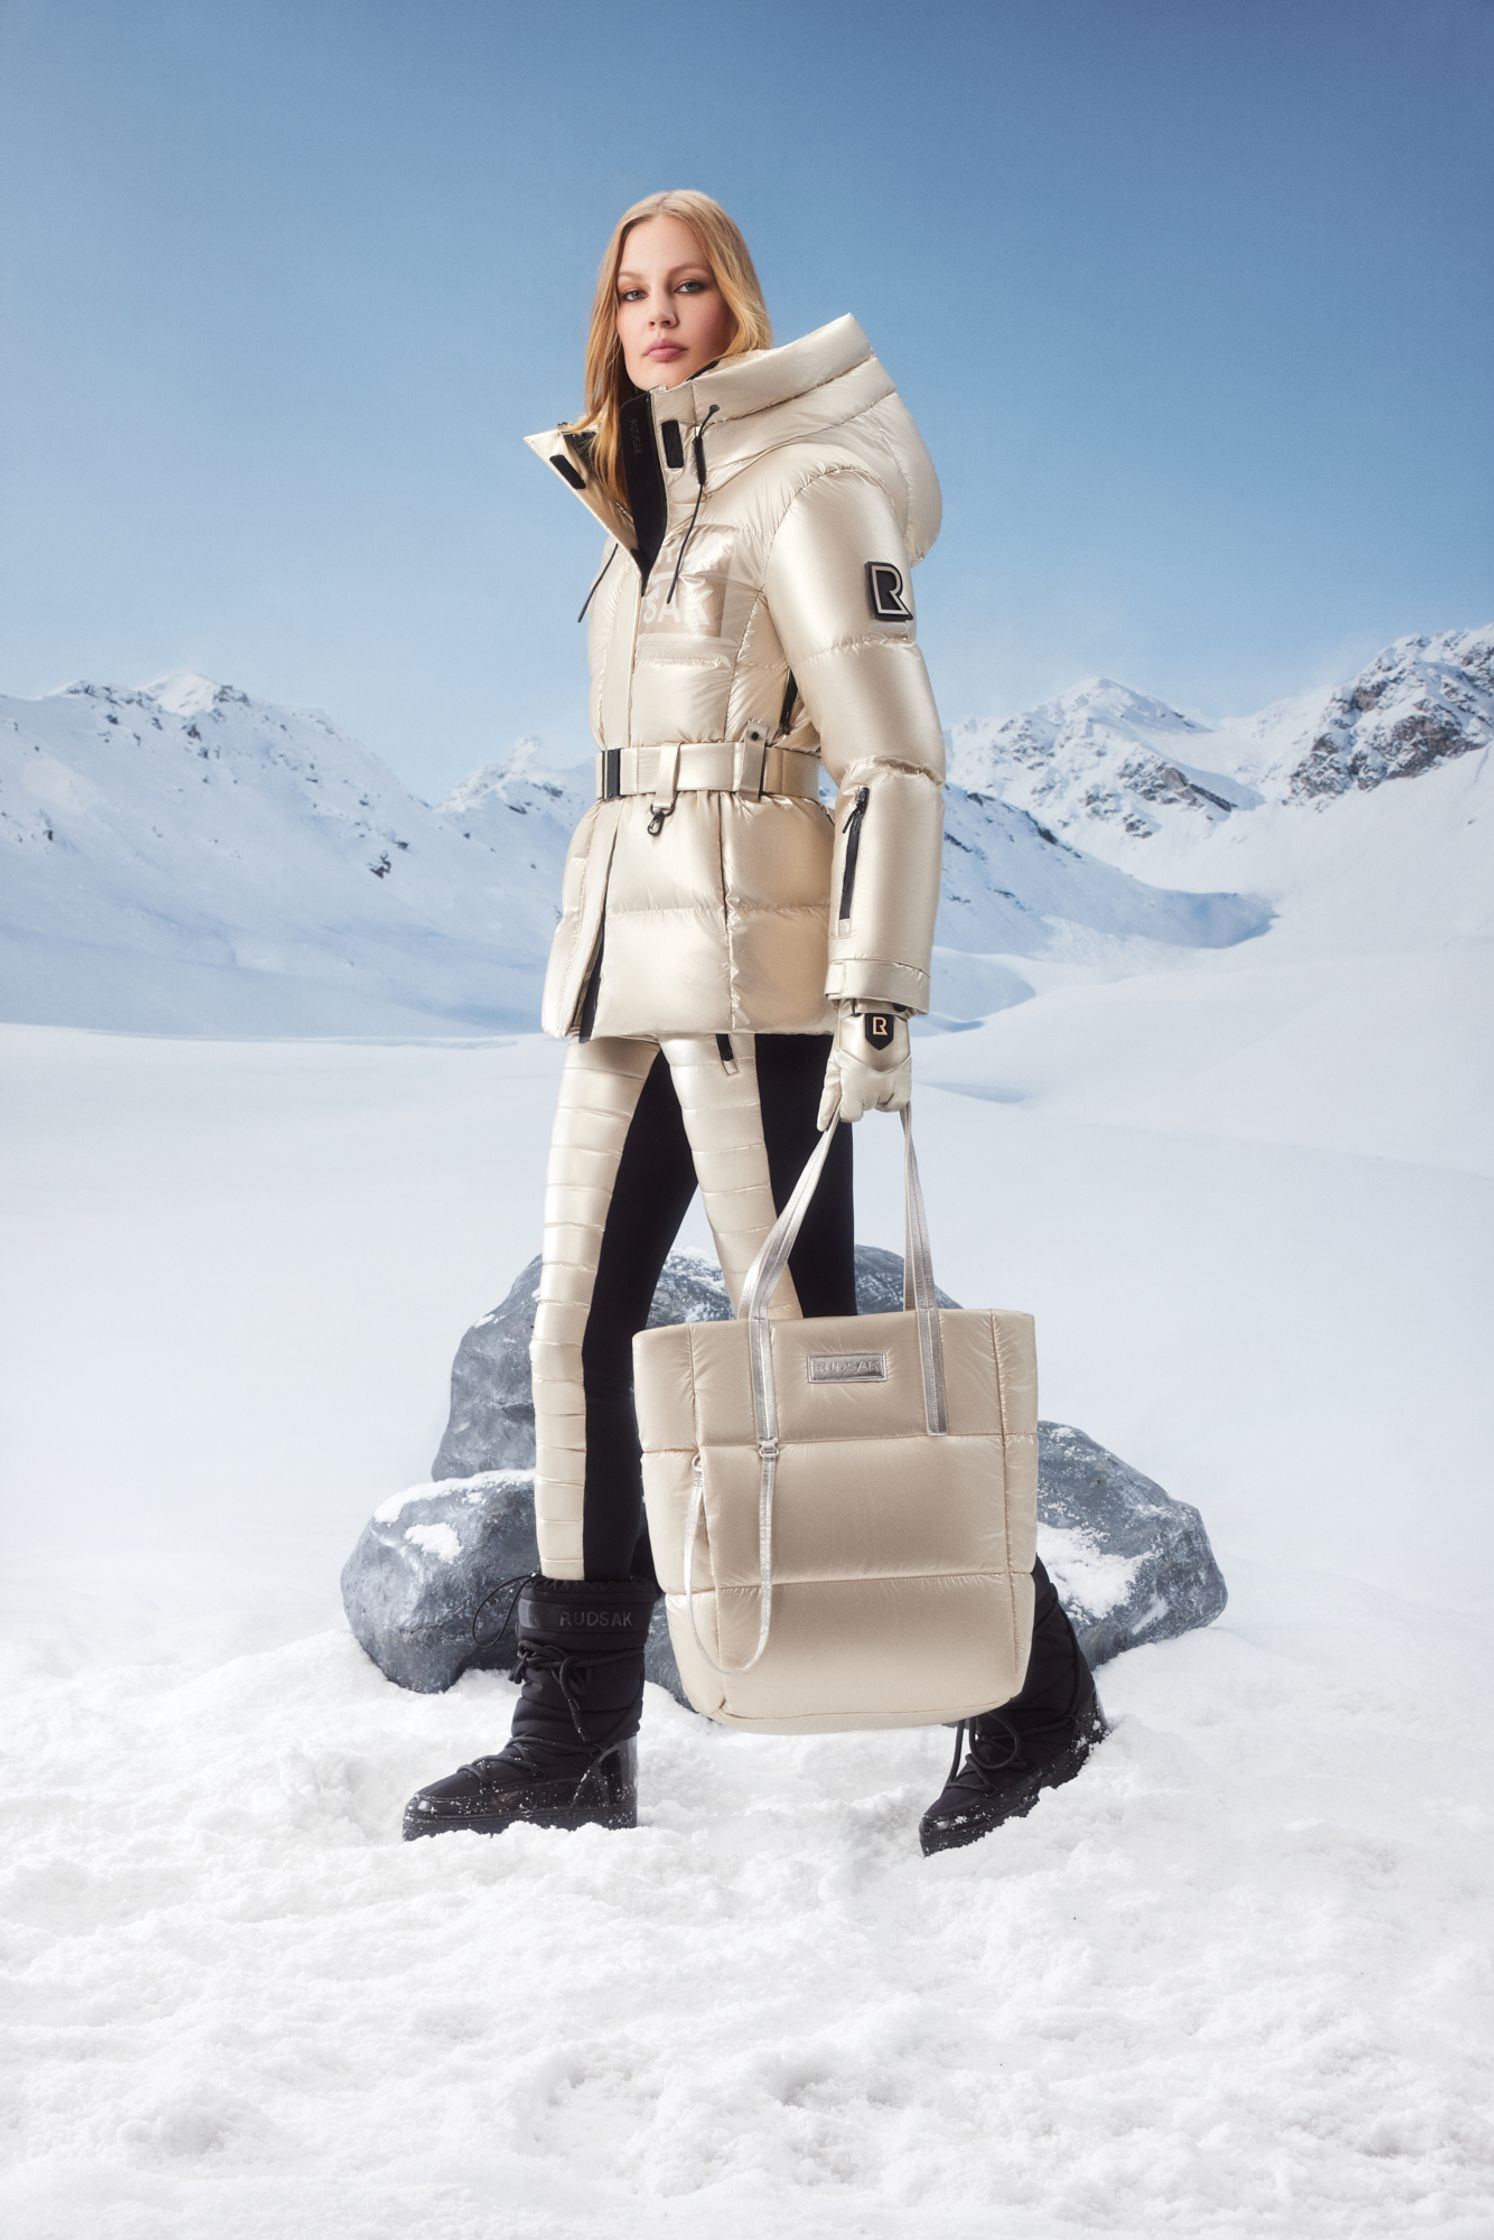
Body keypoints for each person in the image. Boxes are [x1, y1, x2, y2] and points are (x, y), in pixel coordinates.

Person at [404, 190, 1108, 1856]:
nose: (657, 315)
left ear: (739, 302)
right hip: (622, 963)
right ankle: (570, 1739)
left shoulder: (802, 485)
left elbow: (896, 759)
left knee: (809, 1363)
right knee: (572, 1337)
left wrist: (875, 995)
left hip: (761, 981)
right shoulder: (639, 501)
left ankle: (1030, 1693)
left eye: (688, 286)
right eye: (631, 291)